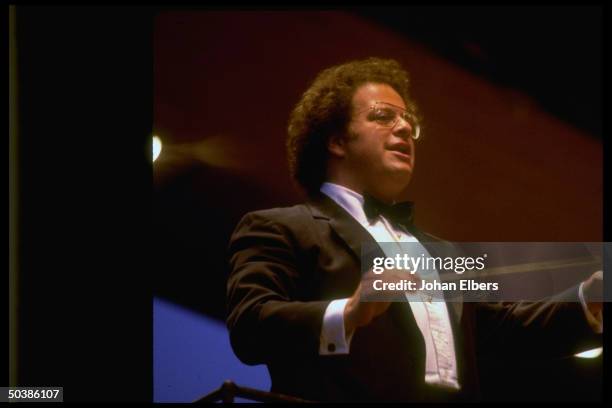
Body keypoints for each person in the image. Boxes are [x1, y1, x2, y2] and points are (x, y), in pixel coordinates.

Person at [225, 57, 603, 402]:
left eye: (408, 121)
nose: (405, 127)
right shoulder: (280, 227)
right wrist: (350, 312)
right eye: (383, 116)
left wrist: (591, 297)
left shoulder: (446, 253)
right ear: (336, 140)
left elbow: (504, 328)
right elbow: (250, 325)